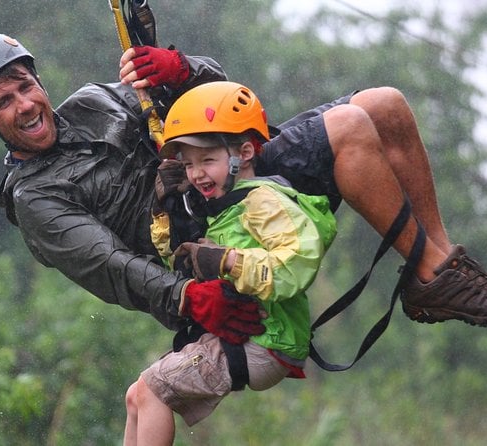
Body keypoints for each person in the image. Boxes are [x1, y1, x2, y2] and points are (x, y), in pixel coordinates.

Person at [0, 33, 487, 352]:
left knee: (384, 105)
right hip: (198, 239)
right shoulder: (34, 198)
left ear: (38, 81)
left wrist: (180, 70)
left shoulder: (93, 101)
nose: (25, 105)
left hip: (227, 179)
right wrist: (186, 301)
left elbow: (225, 100)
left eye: (25, 86)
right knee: (353, 127)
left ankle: (437, 270)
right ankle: (435, 275)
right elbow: (111, 266)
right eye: (4, 102)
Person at [123, 81, 338, 445]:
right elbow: (172, 263)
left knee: (151, 392)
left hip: (265, 340)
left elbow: (297, 263)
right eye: (189, 164)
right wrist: (163, 210)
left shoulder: (263, 202)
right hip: (247, 336)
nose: (196, 174)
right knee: (135, 396)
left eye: (207, 160)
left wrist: (229, 262)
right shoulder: (224, 209)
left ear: (246, 153)